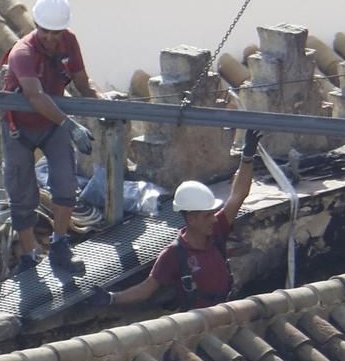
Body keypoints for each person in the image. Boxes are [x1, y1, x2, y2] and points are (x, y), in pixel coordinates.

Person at [97, 132, 258, 309]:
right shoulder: (174, 254)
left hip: (226, 313)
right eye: (207, 215)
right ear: (191, 219)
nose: (213, 219)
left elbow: (238, 195)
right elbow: (146, 289)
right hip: (198, 325)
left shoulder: (217, 230)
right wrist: (112, 298)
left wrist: (247, 157)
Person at [0, 0, 99, 276]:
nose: (51, 38)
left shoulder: (69, 43)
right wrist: (71, 125)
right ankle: (29, 254)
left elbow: (82, 82)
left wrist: (104, 104)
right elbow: (34, 94)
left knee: (65, 182)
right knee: (21, 189)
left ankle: (59, 244)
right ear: (36, 26)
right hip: (19, 127)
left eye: (56, 32)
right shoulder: (23, 52)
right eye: (45, 32)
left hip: (52, 125)